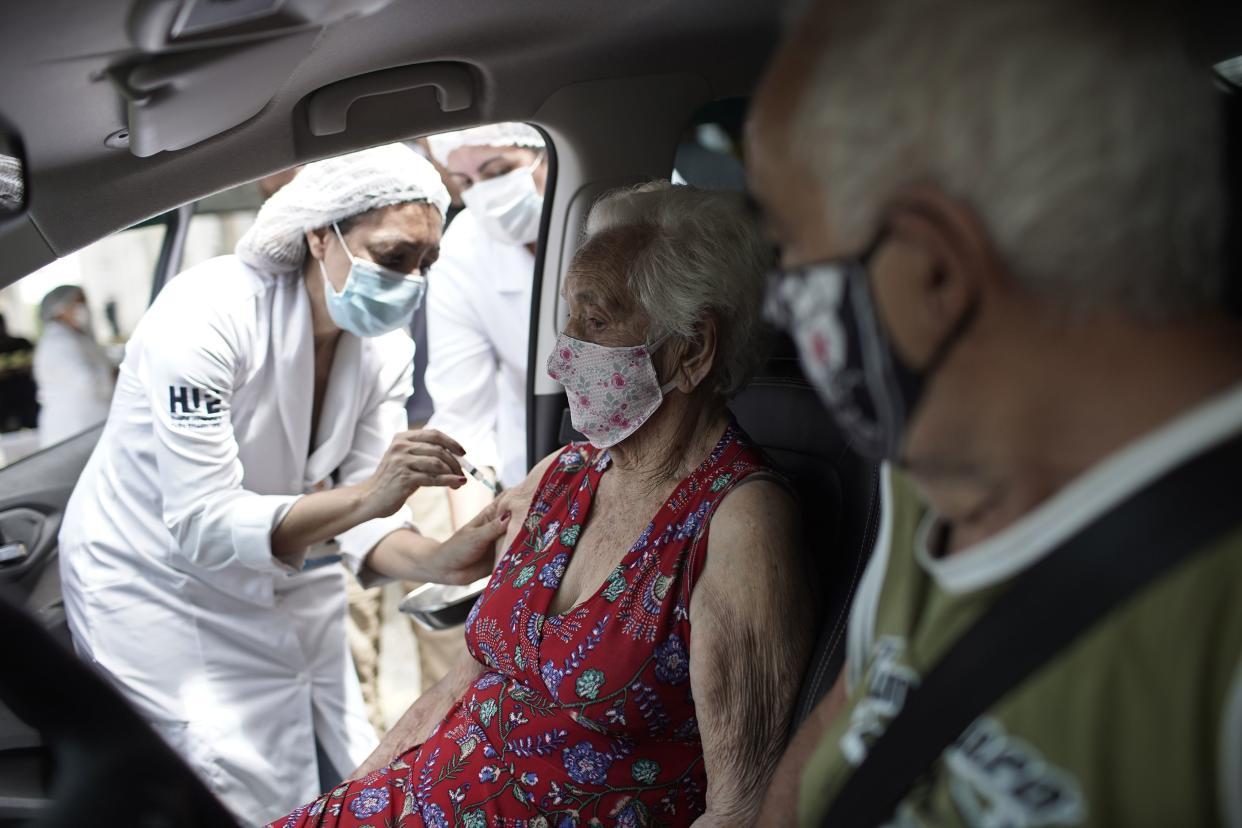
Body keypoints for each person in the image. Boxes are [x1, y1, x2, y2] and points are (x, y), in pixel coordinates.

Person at [746, 0, 1242, 824]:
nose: (782, 297)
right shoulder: (927, 471)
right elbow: (851, 712)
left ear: (934, 272)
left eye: (791, 242)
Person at [272, 182, 814, 827]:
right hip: (419, 798)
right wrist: (340, 807)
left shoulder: (740, 524)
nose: (560, 360)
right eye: (568, 320)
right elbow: (458, 688)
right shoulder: (560, 476)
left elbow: (742, 807)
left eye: (596, 322)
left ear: (693, 348)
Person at [58, 145, 510, 824]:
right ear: (321, 235)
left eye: (426, 263)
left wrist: (437, 561)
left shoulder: (385, 347)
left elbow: (369, 514)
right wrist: (369, 496)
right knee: (212, 783)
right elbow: (205, 524)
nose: (412, 281)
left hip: (290, 584)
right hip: (160, 586)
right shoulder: (204, 316)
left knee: (342, 773)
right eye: (392, 257)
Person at [423, 123, 549, 521]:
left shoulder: (646, 212)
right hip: (536, 476)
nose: (484, 193)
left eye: (497, 172)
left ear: (550, 153)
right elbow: (465, 421)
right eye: (465, 182)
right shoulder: (462, 251)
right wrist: (474, 547)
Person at [32, 284, 115, 447]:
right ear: (60, 308)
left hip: (91, 425)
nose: (83, 307)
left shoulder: (76, 337)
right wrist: (112, 374)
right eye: (78, 301)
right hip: (73, 429)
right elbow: (89, 383)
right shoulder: (58, 343)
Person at [0, 312, 37, 433]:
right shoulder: (22, 343)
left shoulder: (22, 343)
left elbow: (36, 367)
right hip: (5, 408)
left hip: (28, 401)